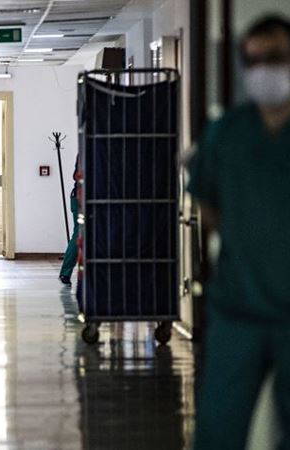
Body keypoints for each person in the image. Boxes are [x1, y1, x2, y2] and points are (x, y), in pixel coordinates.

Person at [188, 15, 290, 449]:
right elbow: (207, 203)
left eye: (275, 58)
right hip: (239, 308)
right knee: (219, 427)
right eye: (254, 60)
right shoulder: (227, 133)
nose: (264, 69)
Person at [59, 155, 80, 285]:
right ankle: (65, 272)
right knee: (79, 234)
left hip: (79, 198)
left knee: (79, 233)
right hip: (80, 199)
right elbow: (77, 176)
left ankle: (66, 273)